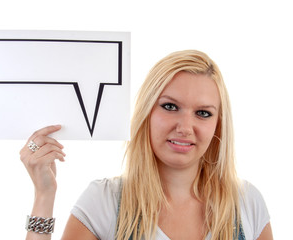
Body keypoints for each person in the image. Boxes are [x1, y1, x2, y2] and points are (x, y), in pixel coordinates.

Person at [20, 50, 273, 240]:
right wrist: (44, 196)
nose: (185, 127)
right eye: (170, 106)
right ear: (146, 112)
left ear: (219, 124)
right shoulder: (105, 201)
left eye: (203, 113)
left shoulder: (247, 203)